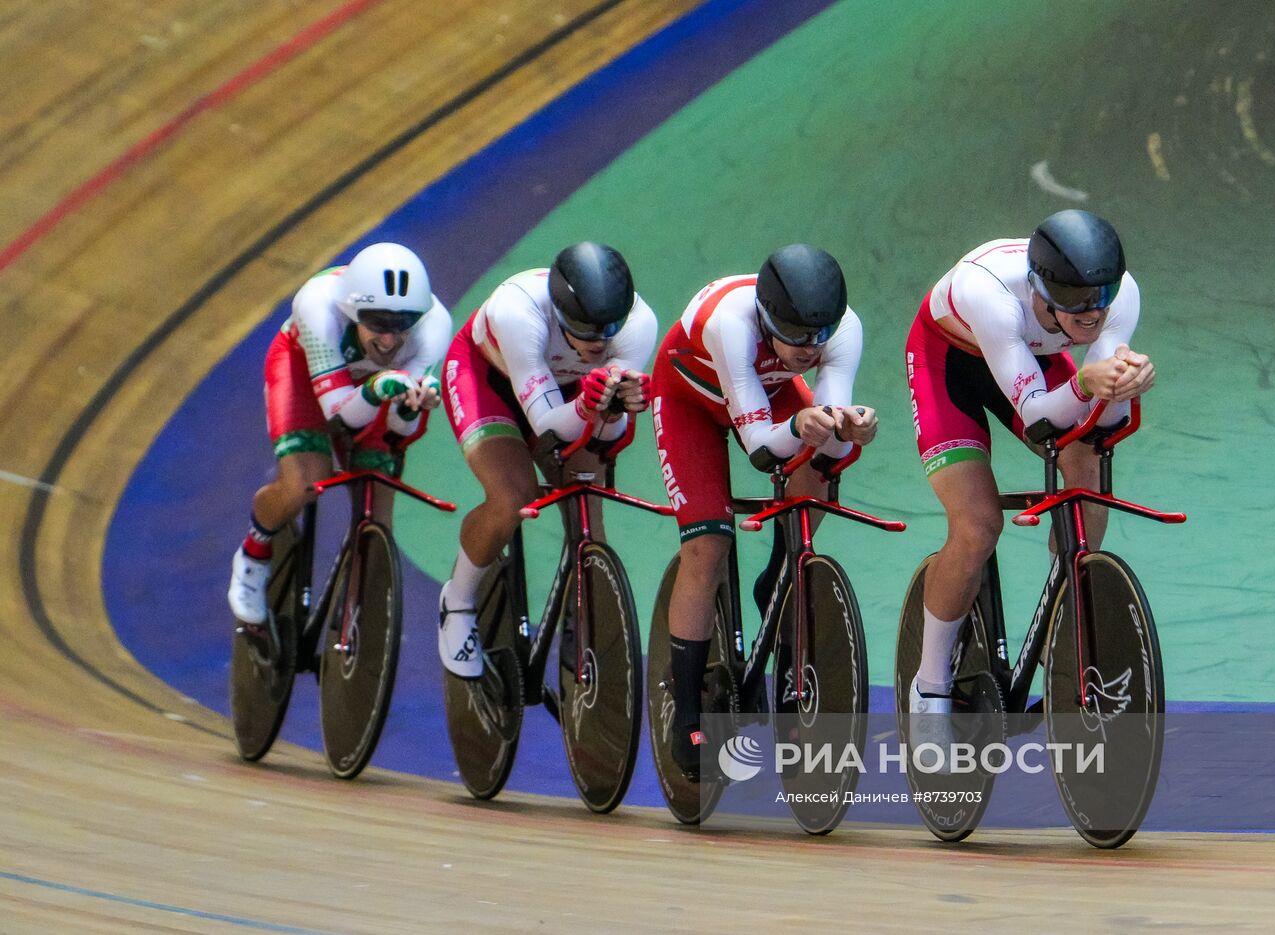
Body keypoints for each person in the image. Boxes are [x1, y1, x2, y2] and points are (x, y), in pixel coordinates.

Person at [905, 209, 1155, 735]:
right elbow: (1039, 415)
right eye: (1074, 303)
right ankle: (929, 687)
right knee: (977, 526)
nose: (1091, 316)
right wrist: (1090, 384)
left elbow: (1096, 417)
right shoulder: (990, 294)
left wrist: (1122, 385)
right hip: (947, 363)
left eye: (1099, 300)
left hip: (1030, 360)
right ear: (1039, 288)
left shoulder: (1121, 292)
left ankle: (1066, 613)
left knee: (1088, 457)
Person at [651, 244, 878, 780]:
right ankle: (686, 711)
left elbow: (830, 424)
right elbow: (760, 449)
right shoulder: (730, 324)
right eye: (796, 336)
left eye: (819, 335)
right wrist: (803, 426)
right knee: (707, 545)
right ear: (766, 317)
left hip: (765, 395)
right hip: (690, 400)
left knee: (825, 458)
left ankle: (781, 568)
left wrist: (851, 429)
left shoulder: (842, 329)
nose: (810, 348)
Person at [438, 242, 657, 679]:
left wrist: (614, 409)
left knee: (587, 504)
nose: (598, 342)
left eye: (607, 329)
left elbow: (608, 440)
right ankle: (457, 599)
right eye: (583, 329)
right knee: (512, 495)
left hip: (573, 392)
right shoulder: (517, 313)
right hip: (489, 381)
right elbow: (548, 428)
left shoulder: (639, 323)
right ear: (557, 312)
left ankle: (582, 612)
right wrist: (589, 408)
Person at [228, 242, 453, 630]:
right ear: (351, 313)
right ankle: (254, 552)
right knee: (304, 483)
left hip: (373, 388)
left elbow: (400, 435)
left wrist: (408, 408)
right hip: (305, 374)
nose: (389, 340)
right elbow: (339, 420)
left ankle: (359, 620)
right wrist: (373, 390)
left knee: (377, 508)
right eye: (378, 324)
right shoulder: (318, 305)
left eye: (401, 326)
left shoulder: (434, 326)